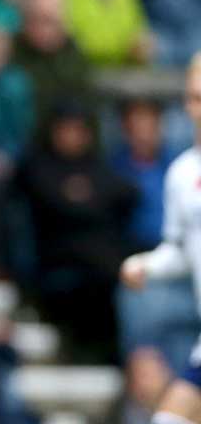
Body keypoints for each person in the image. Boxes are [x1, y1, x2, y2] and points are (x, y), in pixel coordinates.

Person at [120, 52, 201, 424]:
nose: (198, 107)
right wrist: (146, 264)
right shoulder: (182, 172)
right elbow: (181, 250)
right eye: (194, 97)